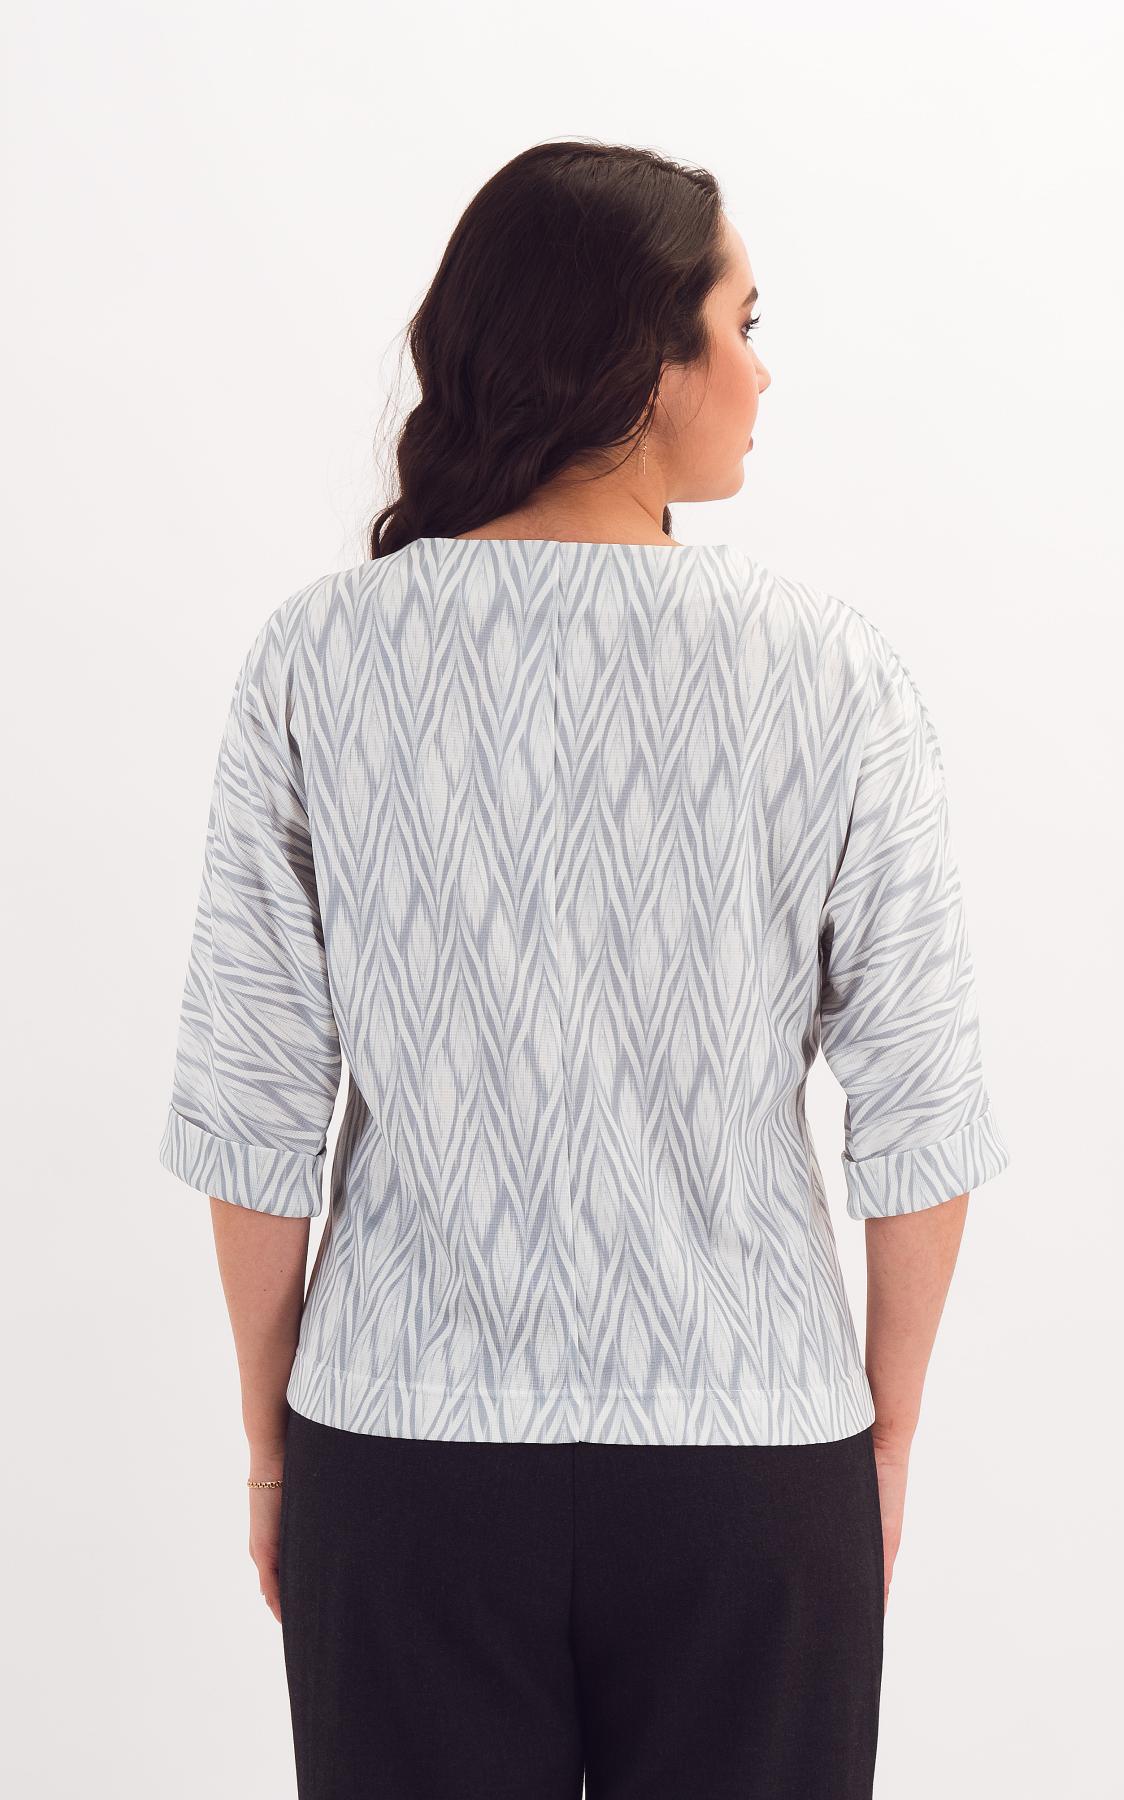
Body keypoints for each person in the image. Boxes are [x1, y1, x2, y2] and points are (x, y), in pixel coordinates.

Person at [157, 138, 1011, 1800]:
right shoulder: (829, 673)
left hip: (403, 1453)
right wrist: (884, 1438)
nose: (764, 373)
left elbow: (253, 1104)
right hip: (751, 1457)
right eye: (743, 326)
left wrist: (271, 1450)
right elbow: (925, 1104)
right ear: (641, 365)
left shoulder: (320, 659)